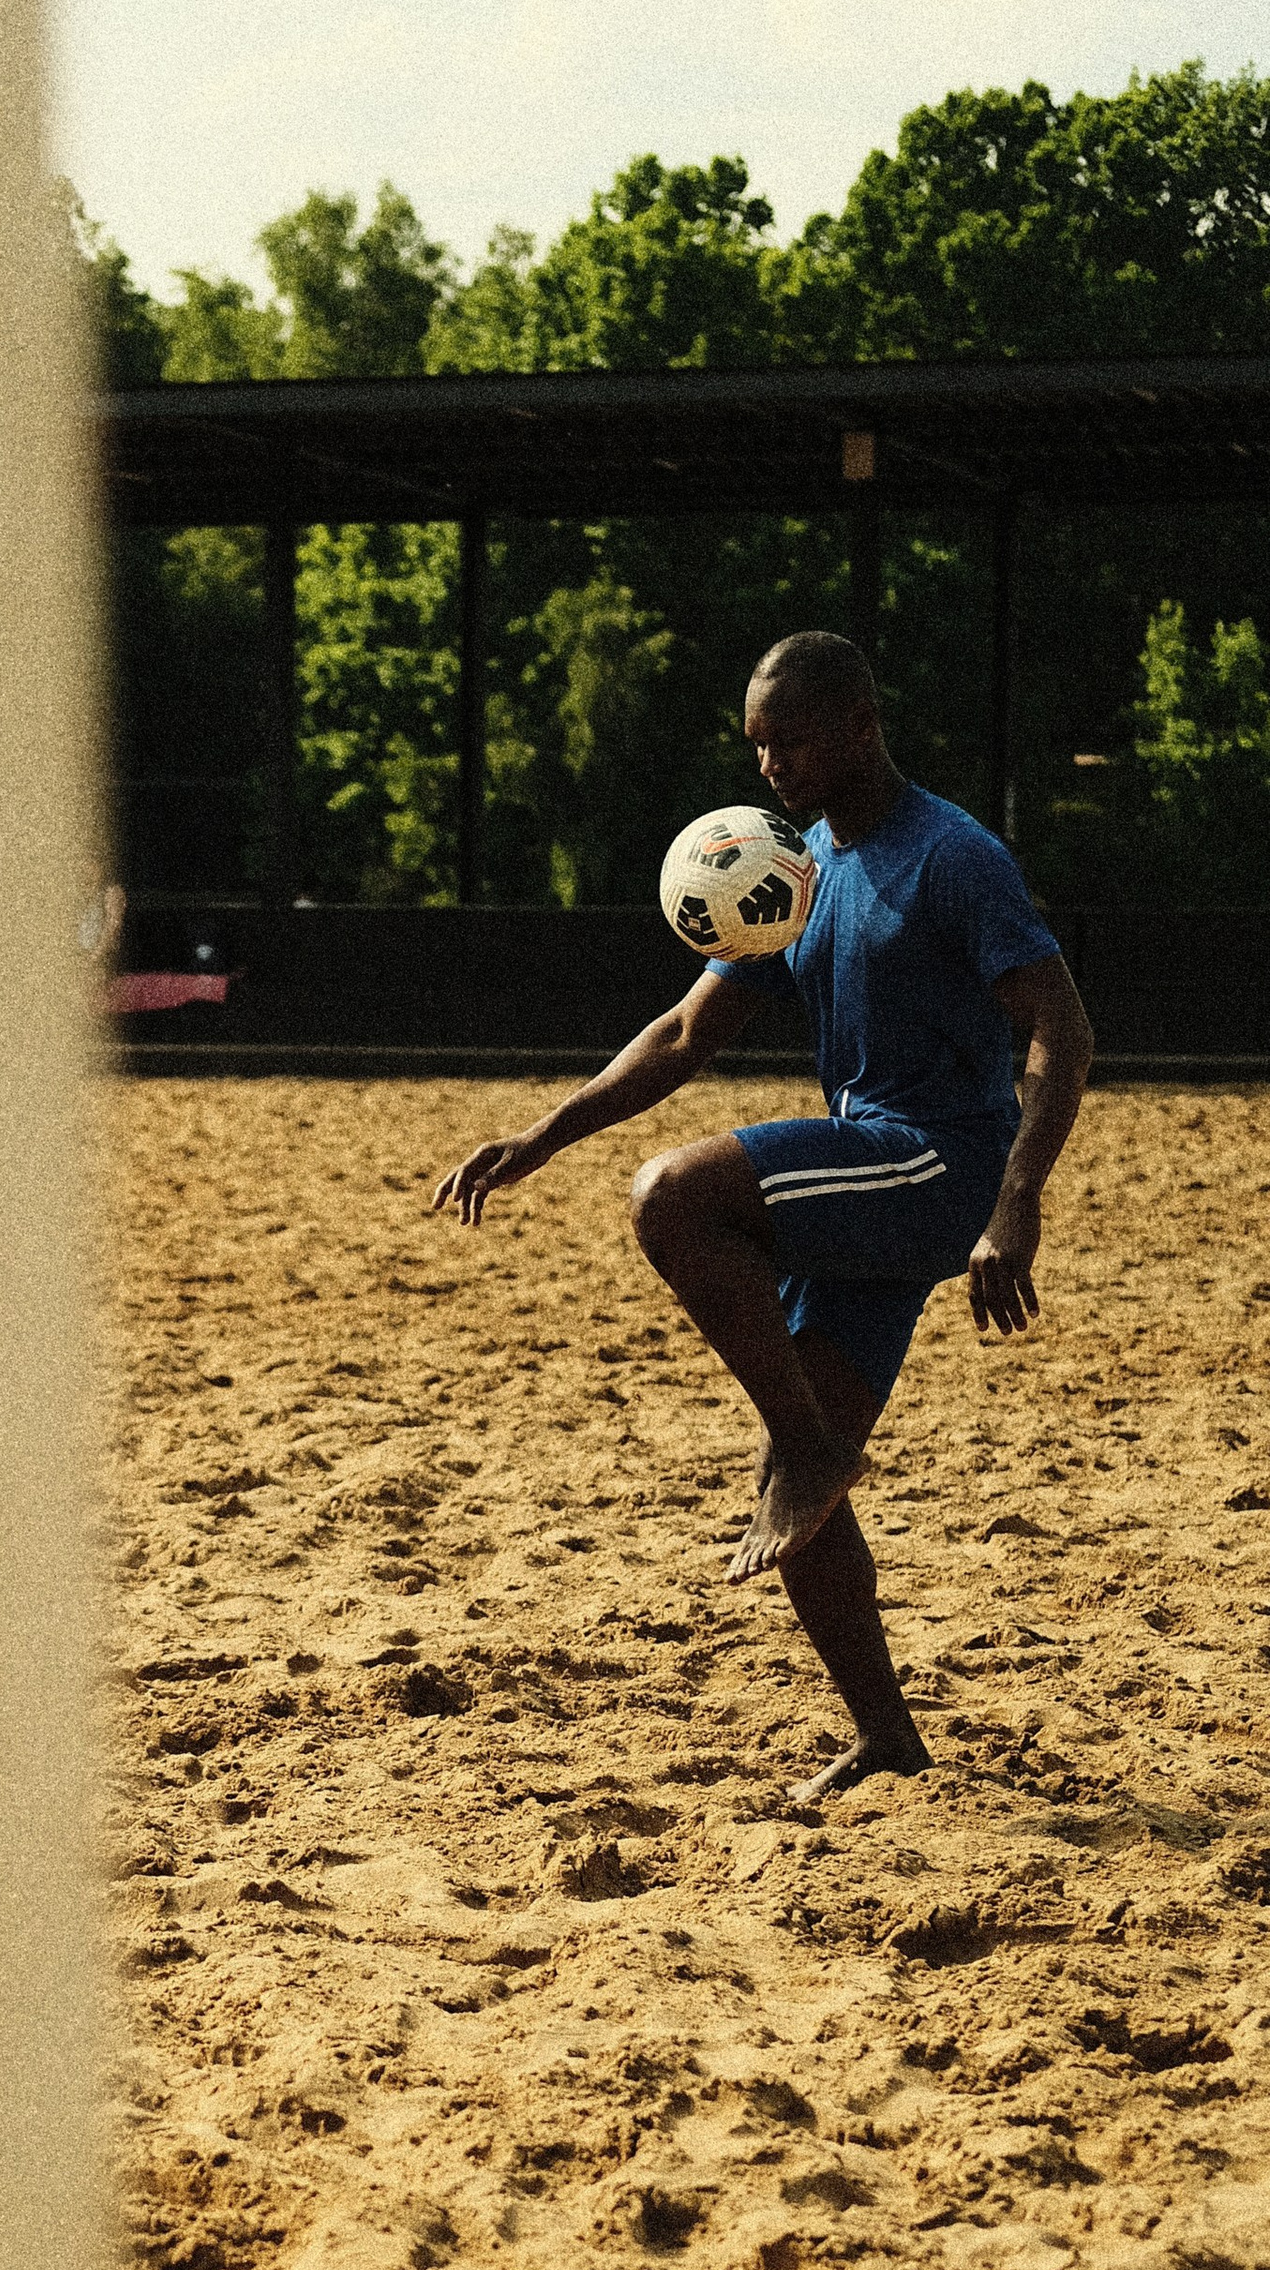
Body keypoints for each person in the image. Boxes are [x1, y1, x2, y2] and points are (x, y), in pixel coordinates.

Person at [431, 630, 1094, 1804]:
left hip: (934, 1167)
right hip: (869, 1180)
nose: (768, 765)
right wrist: (540, 1136)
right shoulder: (793, 871)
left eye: (787, 740)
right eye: (755, 745)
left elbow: (1061, 1025)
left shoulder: (952, 856)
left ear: (858, 728)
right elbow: (686, 1033)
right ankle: (887, 1737)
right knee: (796, 1504)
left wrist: (1015, 1200)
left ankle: (808, 1444)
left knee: (675, 1197)